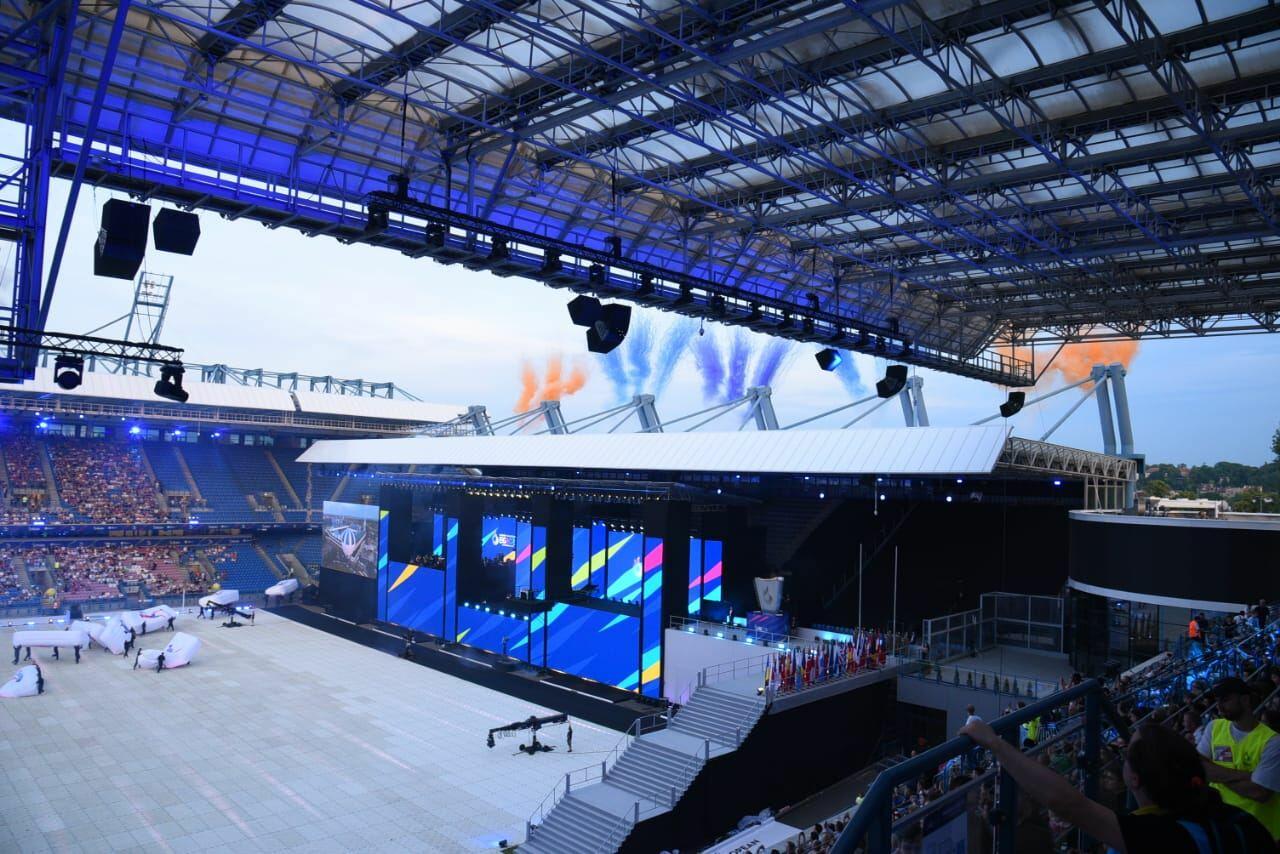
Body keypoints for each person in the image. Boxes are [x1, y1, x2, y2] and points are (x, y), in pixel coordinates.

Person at [960, 718, 1272, 852]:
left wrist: (995, 744)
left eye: (1126, 753)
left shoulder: (1160, 836)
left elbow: (1068, 803)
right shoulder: (1239, 821)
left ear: (1134, 778)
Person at [1198, 676, 1280, 840]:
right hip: (1224, 828)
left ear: (1245, 700)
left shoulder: (1273, 741)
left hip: (1261, 834)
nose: (1219, 706)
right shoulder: (1214, 727)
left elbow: (1260, 792)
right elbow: (1198, 765)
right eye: (1217, 701)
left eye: (1225, 700)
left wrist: (1216, 773)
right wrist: (1246, 776)